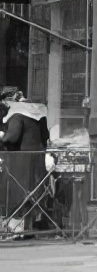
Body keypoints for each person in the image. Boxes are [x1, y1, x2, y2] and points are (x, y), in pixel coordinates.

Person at [0, 88, 51, 228]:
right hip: (37, 158)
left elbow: (13, 137)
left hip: (21, 160)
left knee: (20, 193)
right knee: (34, 192)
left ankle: (18, 228)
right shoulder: (38, 113)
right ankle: (32, 225)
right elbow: (46, 135)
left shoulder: (17, 114)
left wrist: (2, 137)